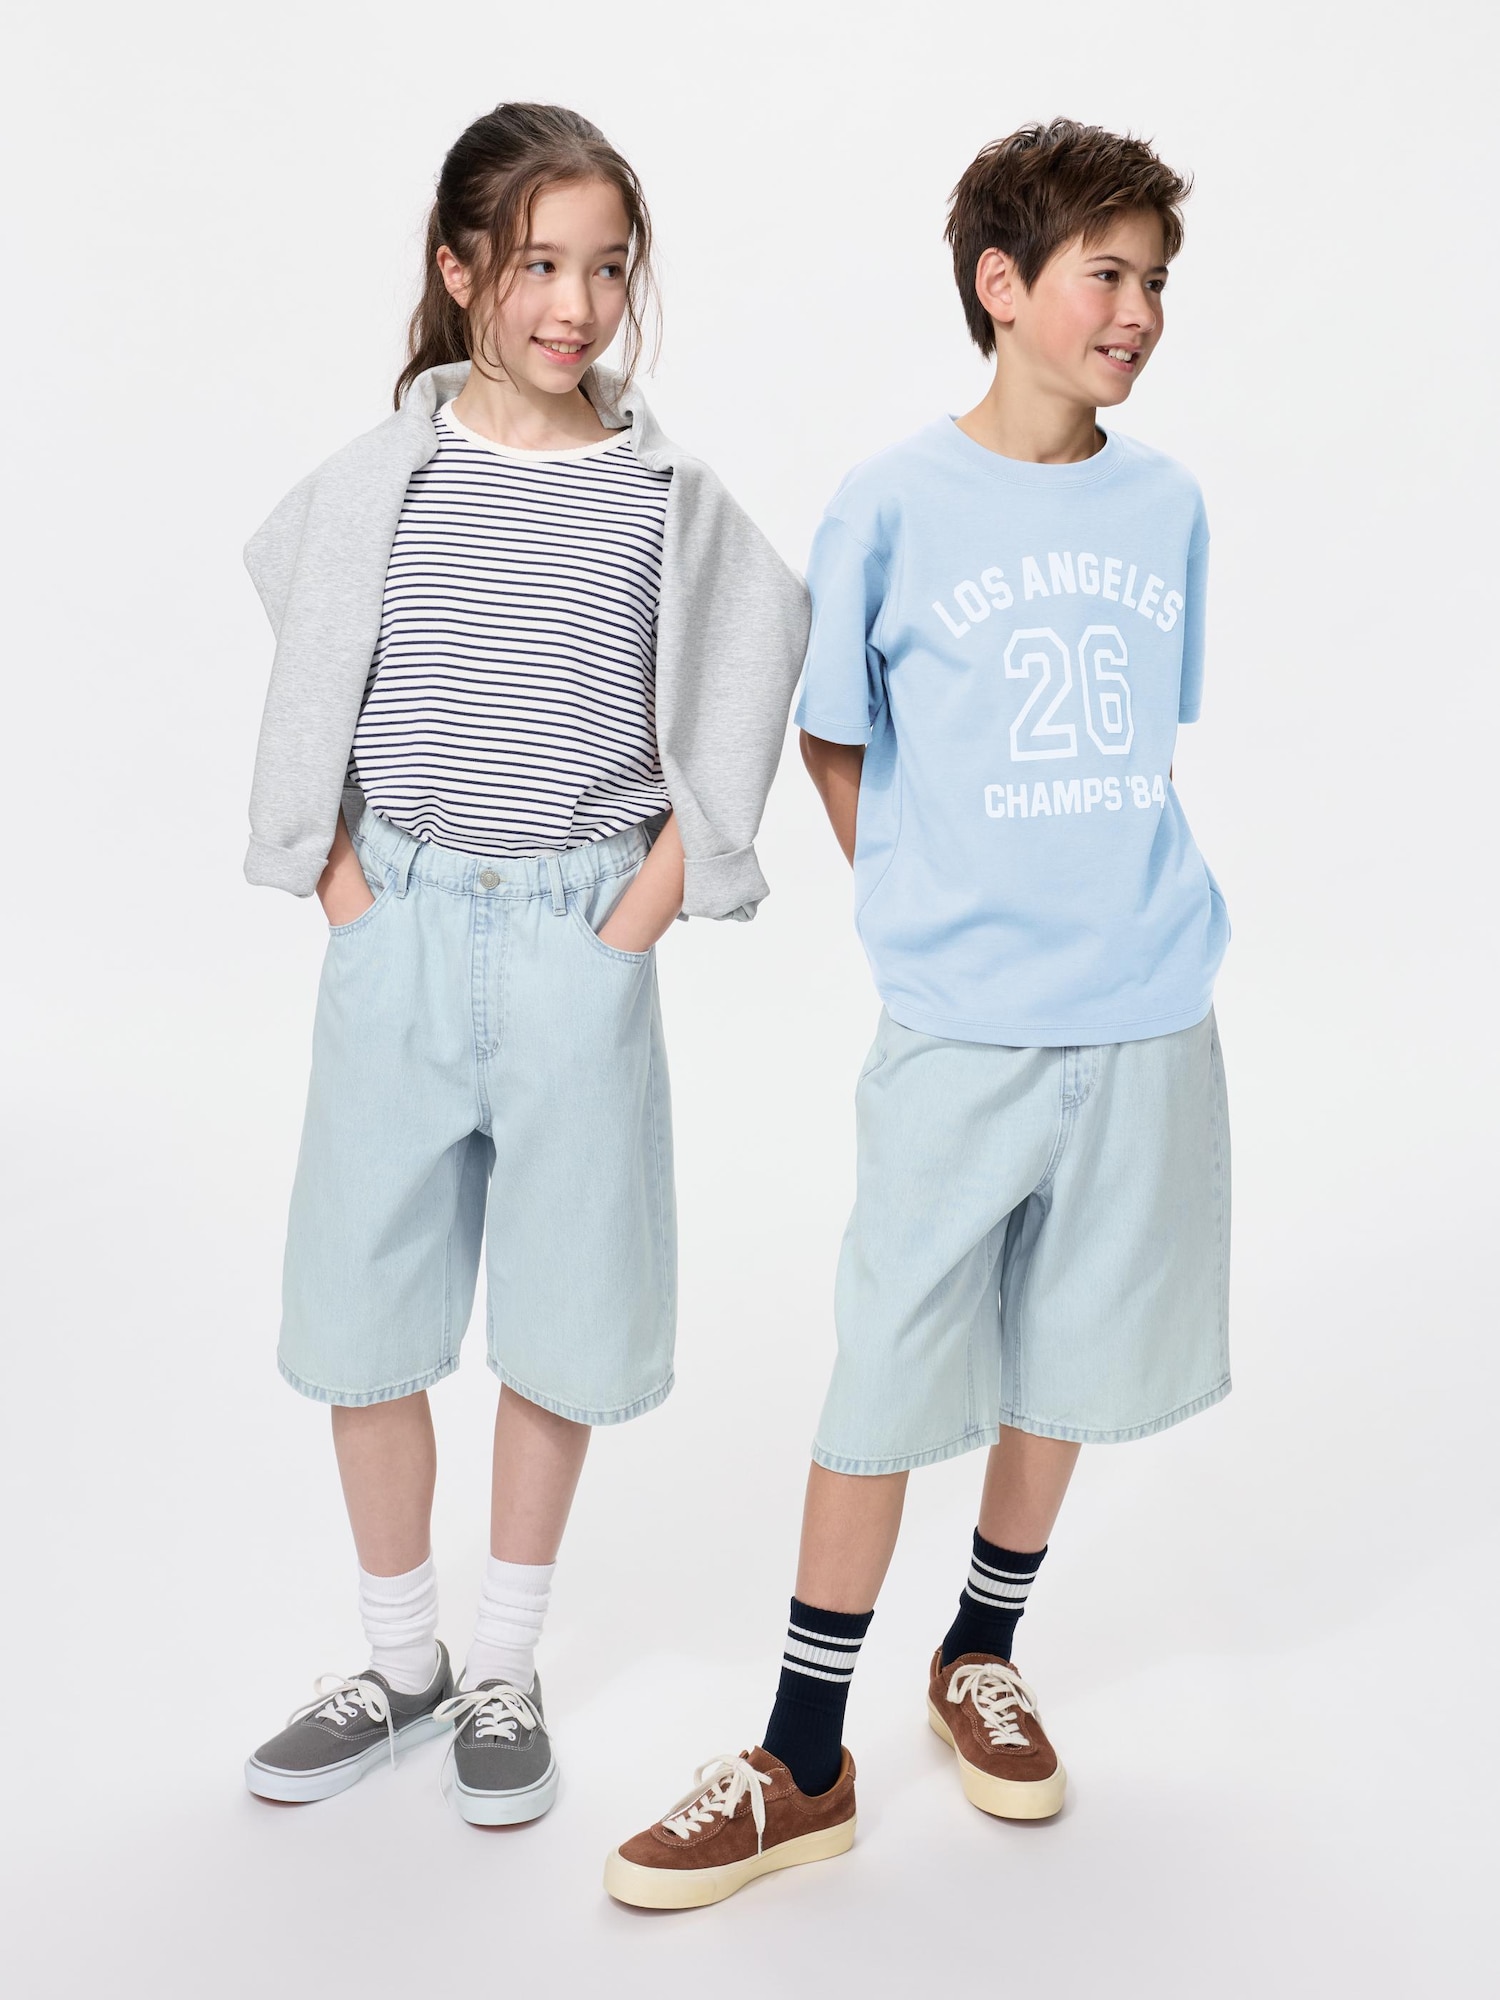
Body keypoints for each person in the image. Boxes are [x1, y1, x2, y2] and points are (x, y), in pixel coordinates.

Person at [605, 117, 1231, 1908]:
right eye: (1107, 275)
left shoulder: (1169, 506)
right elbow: (831, 725)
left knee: (1073, 1353)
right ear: (1002, 285)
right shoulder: (889, 502)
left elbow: (1144, 742)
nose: (1138, 312)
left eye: (1156, 282)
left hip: (1146, 1008)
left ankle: (980, 1653)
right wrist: (911, 891)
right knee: (884, 1371)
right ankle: (804, 1753)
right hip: (962, 1020)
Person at [239, 101, 808, 1826]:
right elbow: (312, 665)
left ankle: (501, 1664)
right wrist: (346, 887)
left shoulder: (660, 495)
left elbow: (749, 666)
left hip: (577, 940)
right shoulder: (381, 478)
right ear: (460, 266)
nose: (576, 304)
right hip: (400, 936)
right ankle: (397, 1659)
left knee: (562, 1320)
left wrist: (641, 914)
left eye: (607, 268)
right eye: (540, 264)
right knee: (366, 1313)